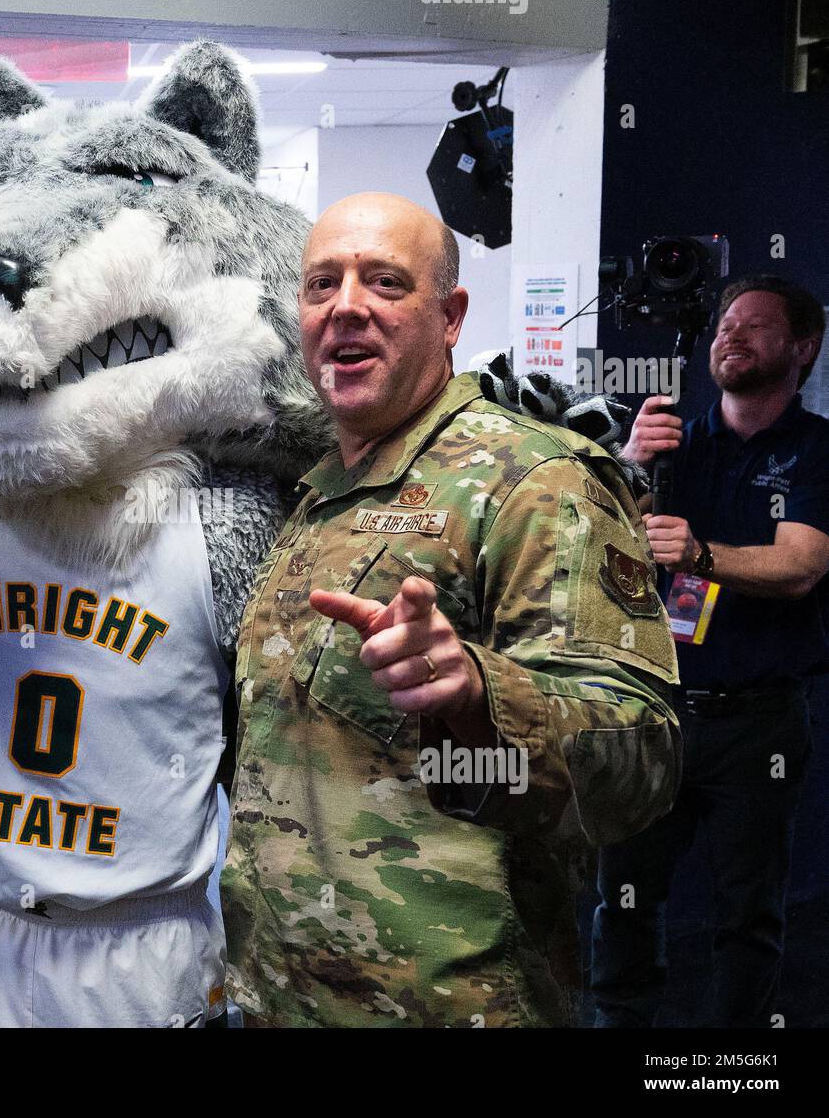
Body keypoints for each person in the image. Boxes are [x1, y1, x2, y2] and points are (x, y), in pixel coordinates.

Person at [219, 192, 683, 1027]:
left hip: (450, 1006)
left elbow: (640, 765)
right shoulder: (318, 492)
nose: (346, 305)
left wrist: (477, 693)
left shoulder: (536, 482)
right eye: (322, 284)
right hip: (279, 1001)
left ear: (451, 315)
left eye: (385, 281)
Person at [591, 275, 828, 1028]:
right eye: (726, 323)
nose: (732, 335)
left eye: (756, 326)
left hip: (756, 723)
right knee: (624, 901)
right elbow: (602, 555)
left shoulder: (818, 450)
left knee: (746, 918)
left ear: (804, 348)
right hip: (654, 710)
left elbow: (800, 567)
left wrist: (697, 554)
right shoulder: (673, 443)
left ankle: (732, 1068)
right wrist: (628, 466)